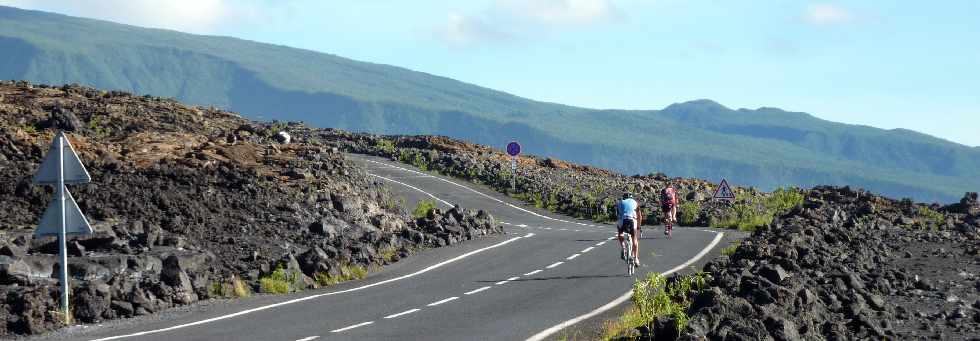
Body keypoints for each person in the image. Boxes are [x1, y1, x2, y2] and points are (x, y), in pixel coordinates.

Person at [616, 192, 641, 266]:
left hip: (623, 220)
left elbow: (618, 215)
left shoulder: (620, 202)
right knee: (634, 239)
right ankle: (636, 258)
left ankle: (623, 247)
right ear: (631, 197)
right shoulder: (635, 202)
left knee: (620, 230)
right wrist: (639, 227)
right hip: (632, 220)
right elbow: (639, 216)